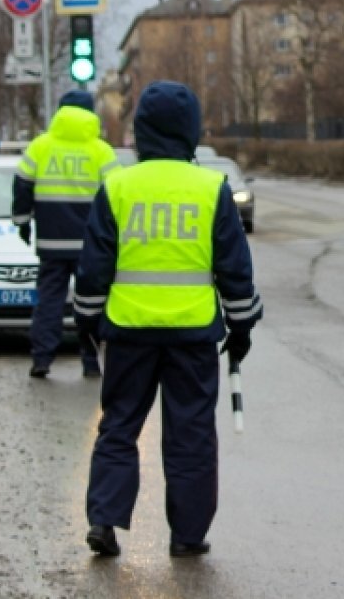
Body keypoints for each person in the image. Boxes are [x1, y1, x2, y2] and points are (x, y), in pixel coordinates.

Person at [74, 80, 262, 558]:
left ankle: (104, 519)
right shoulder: (210, 189)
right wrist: (240, 330)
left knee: (119, 426)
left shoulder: (117, 186)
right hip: (193, 336)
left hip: (128, 332)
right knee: (191, 434)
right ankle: (188, 534)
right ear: (190, 131)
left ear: (140, 130)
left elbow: (94, 270)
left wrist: (88, 323)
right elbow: (235, 271)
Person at [12, 89, 119, 379]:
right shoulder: (101, 151)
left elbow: (22, 185)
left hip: (51, 241)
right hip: (91, 245)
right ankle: (91, 360)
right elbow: (116, 196)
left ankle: (42, 358)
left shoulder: (40, 147)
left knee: (49, 300)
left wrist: (22, 221)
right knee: (91, 302)